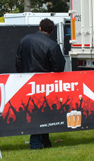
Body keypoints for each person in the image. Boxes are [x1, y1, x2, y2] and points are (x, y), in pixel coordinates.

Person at [16, 18, 66, 149]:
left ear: (39, 27)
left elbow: (18, 61)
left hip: (26, 81)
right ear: (51, 30)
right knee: (41, 112)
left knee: (35, 112)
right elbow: (59, 66)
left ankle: (44, 141)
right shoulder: (52, 44)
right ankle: (37, 143)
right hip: (44, 83)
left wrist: (22, 75)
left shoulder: (25, 39)